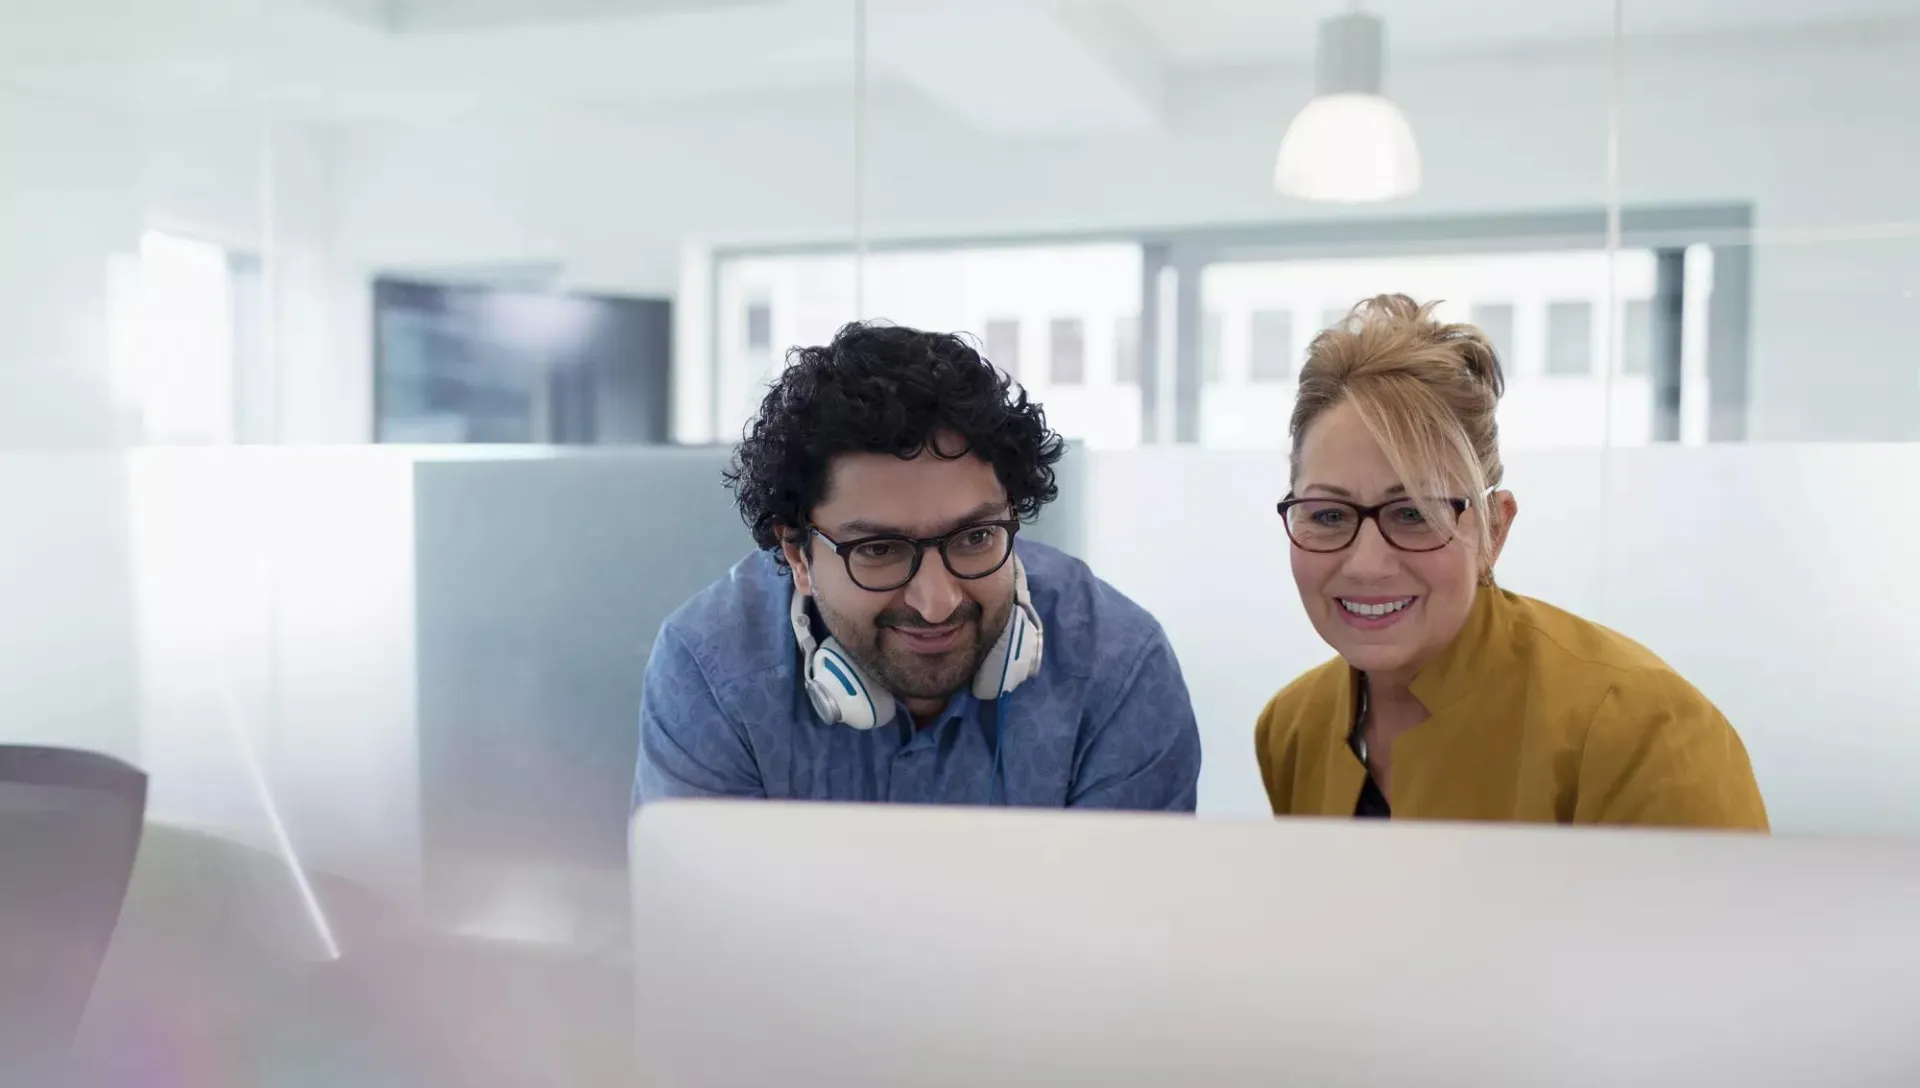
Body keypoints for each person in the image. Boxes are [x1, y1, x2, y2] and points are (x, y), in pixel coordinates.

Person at [635, 321, 1201, 810]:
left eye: (975, 537)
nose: (937, 601)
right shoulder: (712, 670)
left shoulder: (1118, 667)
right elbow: (713, 926)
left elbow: (1121, 928)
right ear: (798, 556)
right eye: (879, 550)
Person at [1256, 295, 1767, 829]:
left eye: (1413, 513)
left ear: (1494, 530)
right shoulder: (1293, 728)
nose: (1366, 563)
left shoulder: (1641, 728)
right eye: (1329, 515)